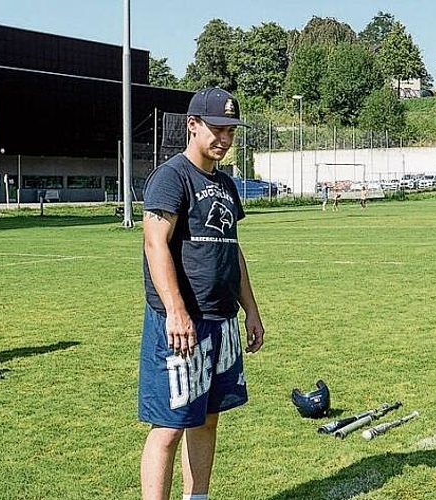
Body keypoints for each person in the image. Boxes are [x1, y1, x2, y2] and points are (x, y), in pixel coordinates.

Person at [139, 87, 265, 500]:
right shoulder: (171, 176)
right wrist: (176, 311)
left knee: (208, 418)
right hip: (181, 324)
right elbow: (155, 244)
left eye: (230, 131)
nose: (225, 139)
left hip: (221, 319)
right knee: (170, 426)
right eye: (217, 129)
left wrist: (251, 310)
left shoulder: (226, 184)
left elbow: (233, 249)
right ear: (193, 125)